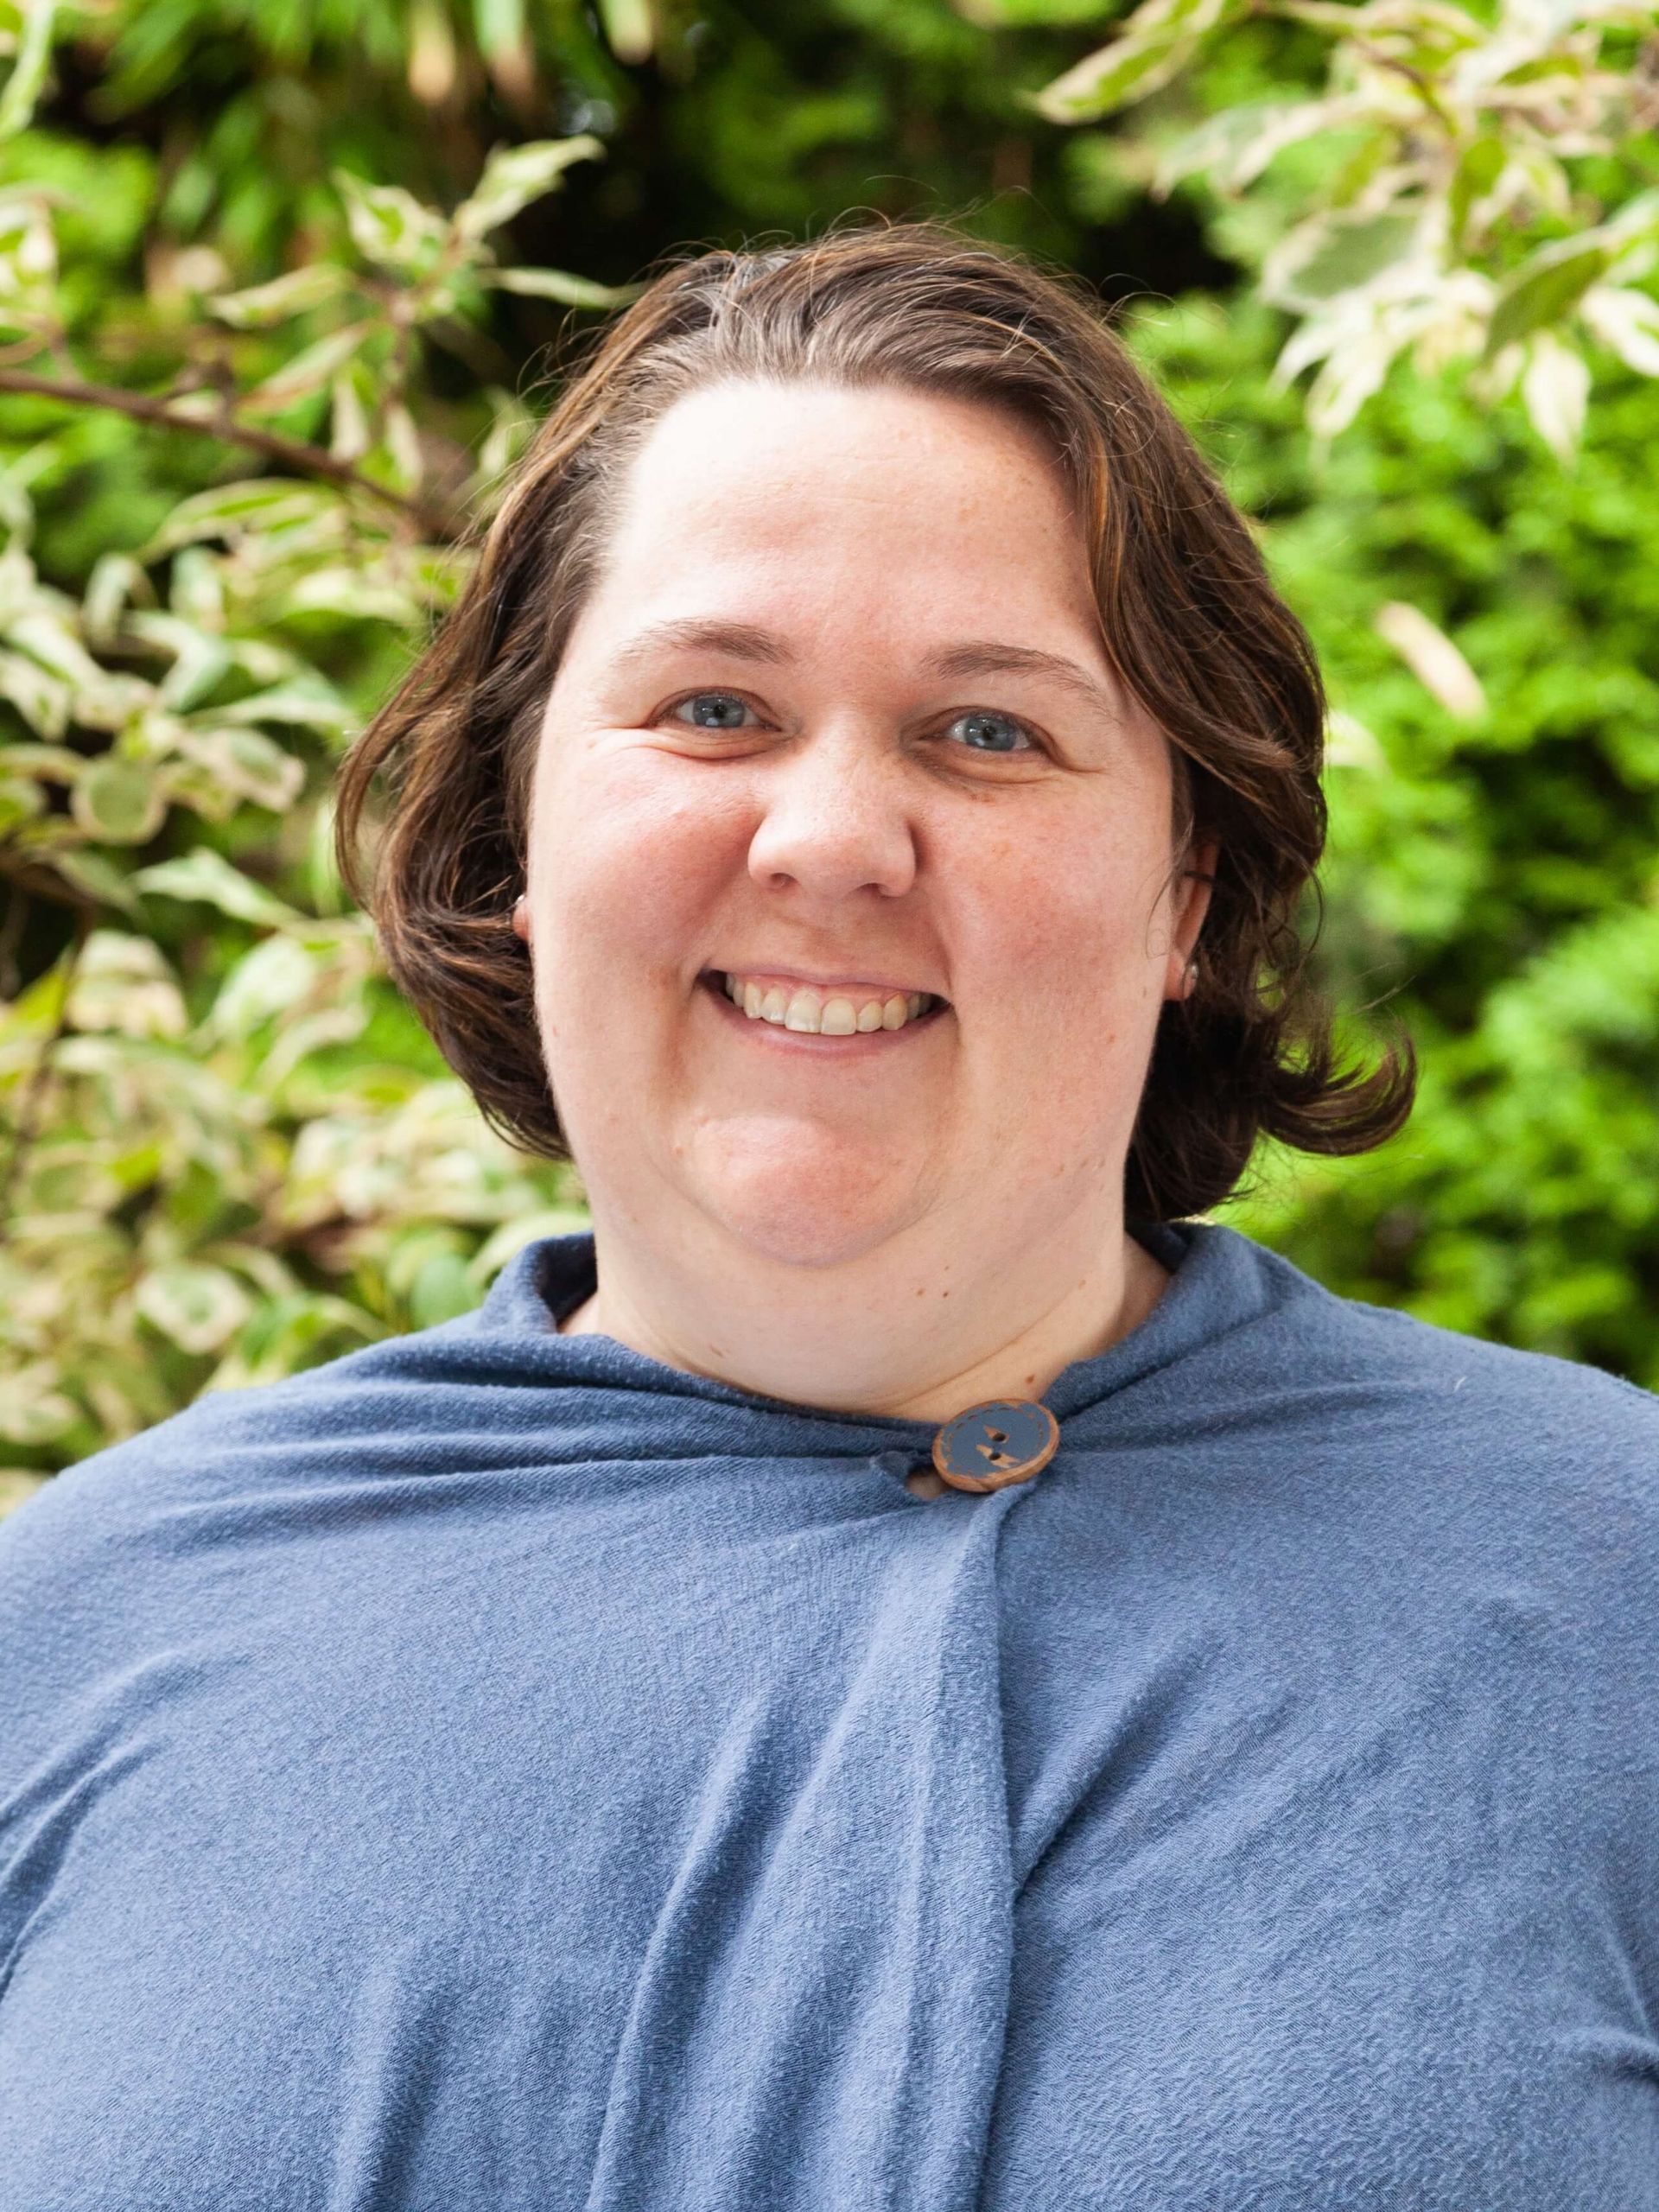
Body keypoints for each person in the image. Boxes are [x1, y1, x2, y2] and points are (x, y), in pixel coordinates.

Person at [0, 221, 1654, 2212]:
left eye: (988, 732)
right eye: (711, 707)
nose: (832, 842)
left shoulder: (1606, 1582)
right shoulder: (79, 1630)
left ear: (1190, 894)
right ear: (519, 829)